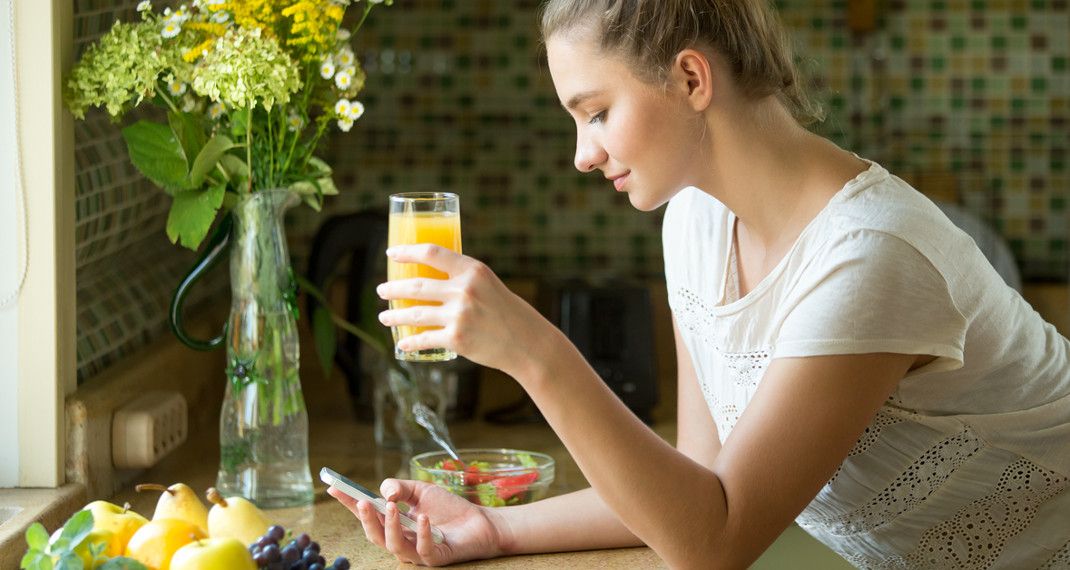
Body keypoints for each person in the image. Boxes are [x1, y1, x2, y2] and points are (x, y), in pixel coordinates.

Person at [327, 1, 1070, 568]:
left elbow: (713, 542)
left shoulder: (869, 254)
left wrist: (533, 351)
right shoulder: (694, 222)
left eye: (597, 112)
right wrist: (492, 529)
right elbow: (693, 486)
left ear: (690, 78)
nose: (582, 155)